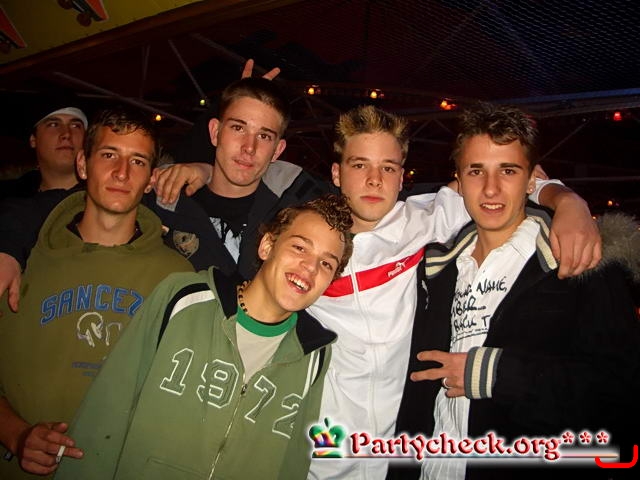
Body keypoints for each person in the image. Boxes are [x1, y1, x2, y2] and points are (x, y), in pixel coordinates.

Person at [306, 105, 602, 480]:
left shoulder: (427, 220)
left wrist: (568, 202)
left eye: (388, 168)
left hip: (397, 452)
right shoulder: (308, 241)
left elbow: (506, 177)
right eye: (359, 165)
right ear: (336, 173)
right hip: (325, 454)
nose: (374, 180)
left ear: (402, 176)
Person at [391, 103, 640, 480]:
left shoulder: (578, 263)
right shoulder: (436, 268)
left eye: (508, 170)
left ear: (531, 180)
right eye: (476, 171)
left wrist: (497, 373)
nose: (491, 188)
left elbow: (622, 395)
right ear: (459, 179)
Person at [55, 194, 354, 480]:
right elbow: (108, 408)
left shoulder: (314, 353)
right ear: (267, 246)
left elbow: (292, 463)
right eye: (300, 247)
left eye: (326, 263)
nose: (310, 267)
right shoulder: (183, 299)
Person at [0, 74, 330, 313]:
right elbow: (63, 205)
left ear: (278, 150)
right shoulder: (162, 198)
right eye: (238, 128)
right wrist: (9, 250)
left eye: (264, 136)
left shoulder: (295, 209)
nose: (248, 147)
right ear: (215, 131)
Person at [0, 105, 193, 478]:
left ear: (151, 179)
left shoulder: (178, 279)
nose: (122, 172)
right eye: (108, 155)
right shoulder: (21, 260)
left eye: (137, 161)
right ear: (83, 164)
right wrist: (16, 435)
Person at [0, 95, 88, 200]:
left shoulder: (101, 197)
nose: (66, 134)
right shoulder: (9, 198)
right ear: (33, 140)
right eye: (54, 125)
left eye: (75, 126)